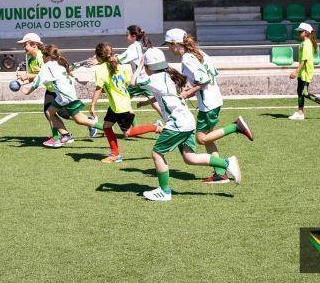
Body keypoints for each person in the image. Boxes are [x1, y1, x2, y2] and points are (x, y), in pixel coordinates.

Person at [130, 47, 241, 202]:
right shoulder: (168, 74)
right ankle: (226, 163)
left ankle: (164, 191)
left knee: (157, 153)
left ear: (150, 66)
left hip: (177, 124)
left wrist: (140, 65)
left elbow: (133, 82)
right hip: (187, 121)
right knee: (190, 157)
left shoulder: (155, 79)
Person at [163, 28, 253, 184]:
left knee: (201, 139)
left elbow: (203, 81)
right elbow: (210, 75)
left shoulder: (187, 58)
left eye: (169, 45)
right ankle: (220, 174)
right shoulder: (199, 53)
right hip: (214, 99)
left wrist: (187, 94)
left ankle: (236, 127)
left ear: (176, 44)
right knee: (209, 139)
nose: (169, 48)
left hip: (208, 103)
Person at [90, 43, 163, 164]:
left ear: (99, 56)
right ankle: (115, 154)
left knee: (128, 133)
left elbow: (98, 88)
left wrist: (92, 105)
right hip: (119, 103)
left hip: (119, 107)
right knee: (107, 126)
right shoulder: (120, 65)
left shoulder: (100, 69)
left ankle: (156, 127)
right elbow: (125, 83)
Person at [21, 45, 104, 145]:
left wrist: (25, 90)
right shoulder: (60, 63)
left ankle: (105, 128)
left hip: (65, 97)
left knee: (75, 119)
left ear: (48, 57)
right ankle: (61, 137)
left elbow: (37, 82)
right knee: (54, 113)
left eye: (43, 56)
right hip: (66, 95)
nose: (42, 58)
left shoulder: (47, 66)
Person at [16, 33, 73, 147]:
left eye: (25, 44)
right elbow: (35, 77)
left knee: (65, 113)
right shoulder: (29, 57)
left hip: (57, 89)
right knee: (49, 112)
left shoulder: (42, 56)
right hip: (50, 88)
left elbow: (44, 74)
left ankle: (88, 124)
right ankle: (59, 137)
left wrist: (27, 76)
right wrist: (22, 82)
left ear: (34, 45)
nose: (23, 47)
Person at [115, 25, 163, 119]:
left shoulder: (133, 47)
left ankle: (131, 127)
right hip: (147, 79)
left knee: (121, 100)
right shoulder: (142, 44)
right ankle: (170, 122)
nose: (126, 36)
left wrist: (103, 59)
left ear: (133, 36)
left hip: (139, 80)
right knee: (155, 104)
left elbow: (120, 60)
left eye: (127, 34)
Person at [289, 23, 320, 120]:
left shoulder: (306, 44)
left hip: (306, 71)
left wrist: (295, 72)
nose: (298, 32)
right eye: (299, 31)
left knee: (304, 92)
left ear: (306, 32)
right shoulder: (304, 43)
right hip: (303, 71)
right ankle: (300, 112)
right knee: (299, 91)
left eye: (301, 31)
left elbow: (304, 61)